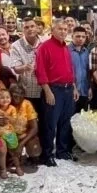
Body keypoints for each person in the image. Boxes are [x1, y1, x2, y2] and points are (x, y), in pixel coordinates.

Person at [36, 19, 77, 166]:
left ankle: (62, 151)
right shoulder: (44, 47)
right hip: (53, 89)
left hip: (68, 89)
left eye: (65, 29)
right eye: (60, 29)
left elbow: (69, 69)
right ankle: (46, 154)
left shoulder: (65, 47)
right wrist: (47, 91)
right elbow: (40, 71)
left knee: (65, 122)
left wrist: (74, 87)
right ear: (52, 30)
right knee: (50, 124)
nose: (63, 31)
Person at [11, 17, 43, 137]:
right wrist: (24, 67)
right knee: (29, 123)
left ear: (37, 28)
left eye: (32, 26)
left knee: (44, 120)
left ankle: (43, 150)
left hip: (44, 89)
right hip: (27, 90)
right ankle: (29, 148)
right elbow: (15, 67)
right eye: (26, 27)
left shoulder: (45, 42)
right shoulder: (16, 45)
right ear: (22, 30)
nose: (30, 29)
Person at [0, 88, 24, 179]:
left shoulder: (12, 108)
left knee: (14, 152)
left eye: (7, 97)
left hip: (10, 134)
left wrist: (5, 114)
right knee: (2, 151)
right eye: (2, 98)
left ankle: (18, 166)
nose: (5, 99)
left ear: (10, 98)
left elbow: (14, 120)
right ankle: (3, 169)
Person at [8, 83, 42, 164]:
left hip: (25, 135)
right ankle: (9, 156)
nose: (18, 96)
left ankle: (31, 156)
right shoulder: (6, 103)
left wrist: (21, 144)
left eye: (21, 94)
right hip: (9, 136)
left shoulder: (27, 104)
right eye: (15, 94)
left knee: (35, 150)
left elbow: (34, 128)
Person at [69, 26, 92, 114]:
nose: (81, 39)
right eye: (78, 36)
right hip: (71, 91)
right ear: (72, 36)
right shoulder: (66, 51)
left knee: (82, 119)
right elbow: (67, 72)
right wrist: (73, 87)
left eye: (83, 37)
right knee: (70, 118)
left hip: (85, 90)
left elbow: (88, 71)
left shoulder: (87, 51)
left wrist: (90, 87)